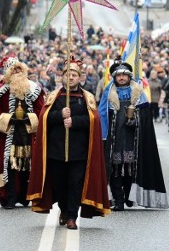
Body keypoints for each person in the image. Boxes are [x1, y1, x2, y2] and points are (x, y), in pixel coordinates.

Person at [27, 60, 110, 229]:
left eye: (74, 75)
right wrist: (59, 115)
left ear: (80, 78)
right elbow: (44, 119)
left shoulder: (87, 97)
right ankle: (64, 210)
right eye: (67, 75)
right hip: (55, 151)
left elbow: (94, 121)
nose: (70, 78)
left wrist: (74, 121)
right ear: (62, 77)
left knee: (75, 184)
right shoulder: (53, 96)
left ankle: (72, 216)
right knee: (59, 185)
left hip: (79, 151)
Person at [99, 61, 168, 211]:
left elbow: (145, 118)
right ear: (115, 77)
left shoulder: (138, 94)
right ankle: (118, 199)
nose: (122, 77)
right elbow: (101, 116)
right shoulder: (108, 93)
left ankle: (129, 196)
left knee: (131, 169)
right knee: (115, 169)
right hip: (115, 139)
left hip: (133, 139)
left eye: (124, 74)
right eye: (119, 75)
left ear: (129, 76)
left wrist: (135, 121)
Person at [0, 55, 45, 209]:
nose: (17, 72)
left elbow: (41, 110)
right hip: (10, 134)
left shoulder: (34, 89)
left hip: (28, 134)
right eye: (13, 70)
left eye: (19, 69)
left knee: (28, 165)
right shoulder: (1, 91)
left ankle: (27, 196)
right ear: (8, 73)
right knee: (10, 166)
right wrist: (9, 119)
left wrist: (29, 118)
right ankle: (10, 197)